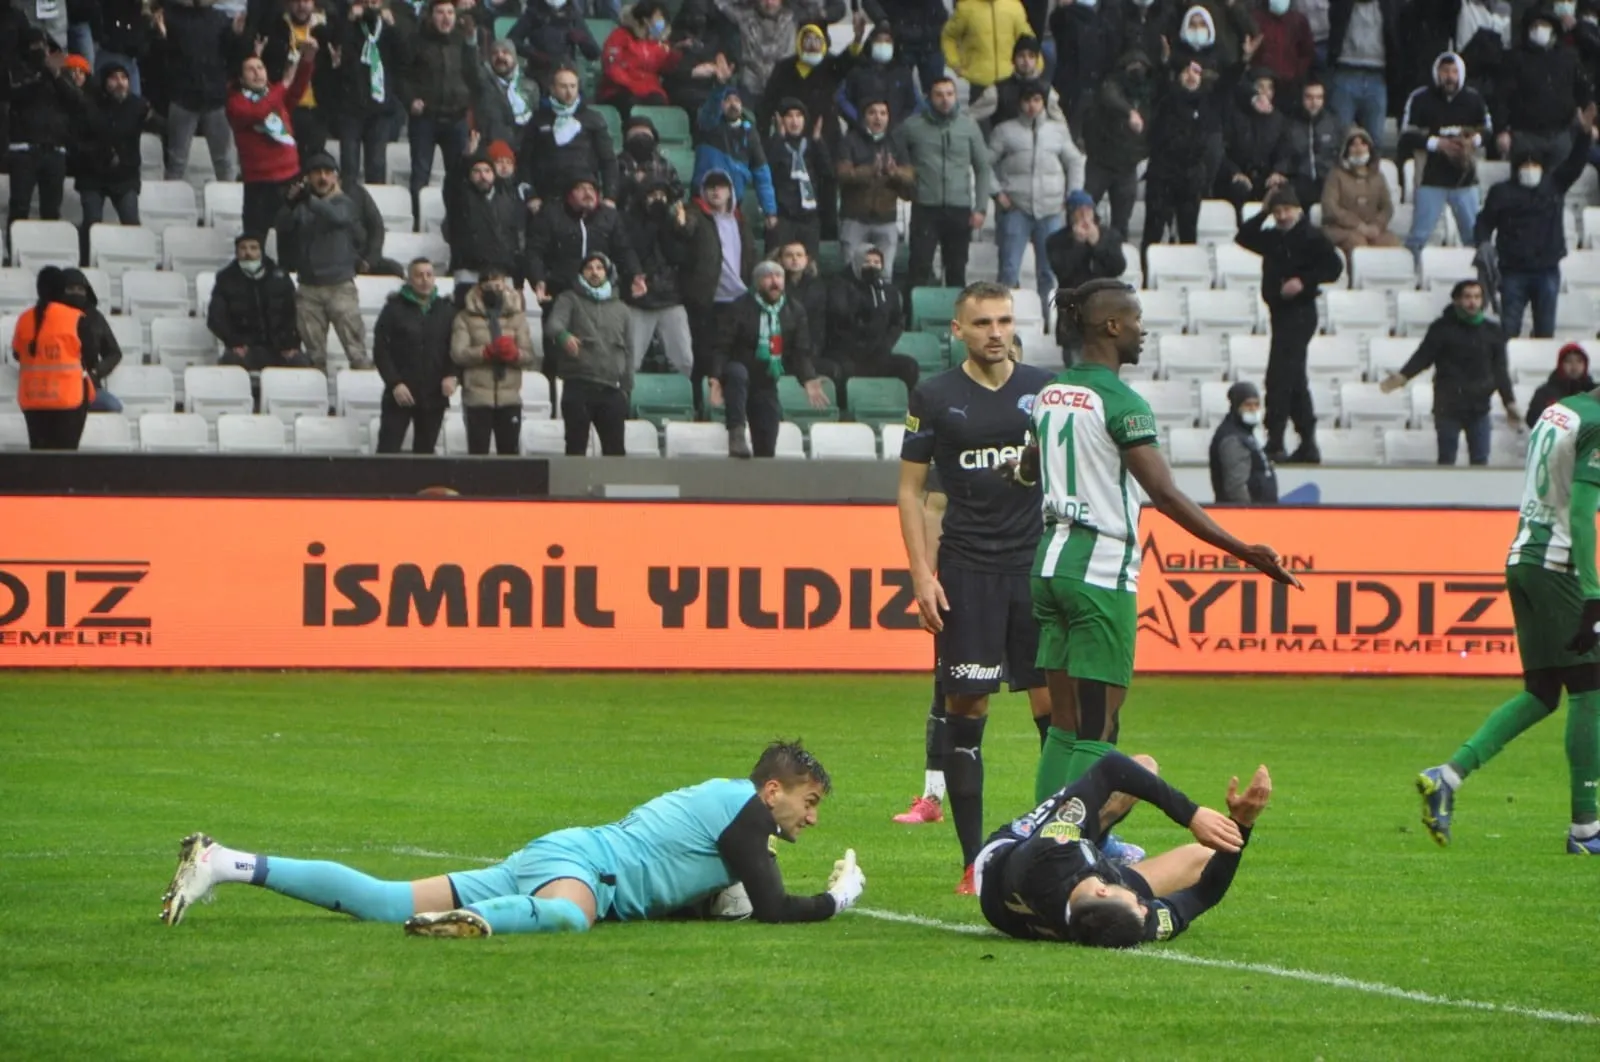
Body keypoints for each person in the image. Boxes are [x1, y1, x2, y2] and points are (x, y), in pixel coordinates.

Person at [1020, 279, 1297, 803]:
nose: (1143, 332)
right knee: (1097, 730)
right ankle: (1065, 847)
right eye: (1137, 320)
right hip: (1099, 571)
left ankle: (1032, 841)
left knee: (1063, 724)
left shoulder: (1048, 394)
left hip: (1050, 564)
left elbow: (1032, 464)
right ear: (1112, 326)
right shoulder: (1123, 401)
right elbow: (1165, 496)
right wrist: (1245, 551)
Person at [159, 741, 868, 934]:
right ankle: (468, 921)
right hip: (583, 867)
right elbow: (773, 910)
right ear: (772, 790)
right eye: (808, 803)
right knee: (570, 918)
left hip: (565, 850)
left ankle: (227, 862)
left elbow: (699, 893)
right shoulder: (743, 811)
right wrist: (838, 898)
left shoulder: (729, 814)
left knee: (380, 900)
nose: (812, 818)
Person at [897, 282, 1056, 893]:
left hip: (1035, 571)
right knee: (968, 711)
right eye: (983, 321)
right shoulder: (935, 397)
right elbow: (911, 491)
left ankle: (1066, 840)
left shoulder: (1044, 390)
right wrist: (921, 576)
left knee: (1056, 713)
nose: (996, 331)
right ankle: (974, 862)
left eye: (1006, 320)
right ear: (958, 331)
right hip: (967, 572)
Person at [1417, 382, 1600, 854]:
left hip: (1522, 557)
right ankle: (1586, 830)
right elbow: (1581, 513)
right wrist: (1593, 594)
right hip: (1557, 565)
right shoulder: (1597, 426)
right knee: (1591, 687)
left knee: (1541, 693)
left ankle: (1448, 777)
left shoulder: (1559, 411)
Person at [977, 752, 1271, 947]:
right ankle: (1105, 849)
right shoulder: (1128, 923)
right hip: (1076, 876)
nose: (1147, 906)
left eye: (1138, 904)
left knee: (1142, 767)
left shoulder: (1051, 851)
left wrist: (1191, 814)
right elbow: (1205, 893)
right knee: (1206, 859)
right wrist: (1242, 824)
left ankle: (1102, 843)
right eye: (1144, 909)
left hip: (1004, 856)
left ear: (1103, 890)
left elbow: (1111, 767)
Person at [1234, 186, 1343, 463]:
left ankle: (1277, 439)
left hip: (1300, 312)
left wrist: (1304, 282)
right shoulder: (1274, 237)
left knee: (1280, 377)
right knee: (1292, 379)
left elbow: (1334, 267)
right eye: (1277, 211)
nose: (1282, 216)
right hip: (1281, 314)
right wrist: (1263, 209)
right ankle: (1306, 442)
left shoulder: (1311, 236)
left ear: (1298, 210)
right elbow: (1243, 236)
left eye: (1286, 210)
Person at [1379, 279, 1517, 466]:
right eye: (1467, 297)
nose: (1472, 302)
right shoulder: (1441, 328)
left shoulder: (1492, 331)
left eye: (1477, 297)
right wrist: (1403, 376)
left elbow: (1500, 370)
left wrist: (1509, 402)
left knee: (1480, 461)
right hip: (1448, 407)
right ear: (1456, 300)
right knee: (1446, 461)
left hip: (1479, 408)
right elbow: (1423, 357)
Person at [1473, 129, 1591, 340]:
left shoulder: (1554, 186)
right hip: (1512, 271)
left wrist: (1584, 134)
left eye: (1534, 164)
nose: (1530, 169)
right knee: (1508, 331)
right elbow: (1484, 222)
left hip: (1546, 270)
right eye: (1525, 165)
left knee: (1545, 331)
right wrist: (1483, 244)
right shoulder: (1501, 192)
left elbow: (1575, 163)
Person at [709, 259, 829, 458]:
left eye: (779, 276)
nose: (774, 281)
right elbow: (722, 346)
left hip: (766, 378)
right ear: (757, 282)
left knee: (767, 438)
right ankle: (736, 434)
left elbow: (800, 351)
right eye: (768, 277)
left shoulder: (794, 310)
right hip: (738, 372)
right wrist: (716, 377)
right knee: (737, 373)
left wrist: (808, 378)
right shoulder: (740, 307)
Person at [989, 83, 1084, 311]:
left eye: (1036, 100)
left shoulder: (1058, 130)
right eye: (1027, 100)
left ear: (1043, 103)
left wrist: (1072, 195)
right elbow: (985, 164)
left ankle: (1045, 321)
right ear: (1019, 103)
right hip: (1016, 208)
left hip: (1051, 210)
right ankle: (1005, 318)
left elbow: (1075, 161)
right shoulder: (1004, 130)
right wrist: (997, 193)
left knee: (1048, 271)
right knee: (1009, 268)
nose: (1031, 106)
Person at [895, 78, 993, 289]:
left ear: (956, 96)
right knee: (919, 266)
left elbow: (983, 167)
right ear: (929, 98)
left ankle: (956, 319)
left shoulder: (968, 126)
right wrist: (906, 180)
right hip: (925, 207)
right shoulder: (913, 127)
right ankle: (912, 317)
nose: (945, 99)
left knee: (956, 268)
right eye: (939, 94)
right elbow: (894, 154)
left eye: (949, 94)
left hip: (959, 207)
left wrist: (981, 208)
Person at [276, 152, 369, 369]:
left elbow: (338, 217)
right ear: (308, 178)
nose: (323, 178)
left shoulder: (345, 202)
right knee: (313, 357)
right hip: (308, 287)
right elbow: (282, 226)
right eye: (317, 173)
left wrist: (310, 200)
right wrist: (289, 203)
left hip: (340, 286)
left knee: (357, 353)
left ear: (336, 177)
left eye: (328, 173)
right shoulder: (302, 205)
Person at [1399, 52, 1491, 260]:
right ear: (1437, 73)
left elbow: (1488, 132)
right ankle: (1413, 275)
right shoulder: (1420, 98)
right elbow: (1406, 135)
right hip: (1430, 179)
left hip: (1465, 181)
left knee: (1473, 236)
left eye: (1454, 71)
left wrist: (1471, 142)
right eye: (1445, 71)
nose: (1449, 76)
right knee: (1419, 236)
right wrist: (1437, 144)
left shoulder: (1474, 99)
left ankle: (1476, 281)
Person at [227, 42, 317, 239]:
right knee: (254, 239)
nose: (257, 73)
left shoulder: (274, 95)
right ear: (241, 79)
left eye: (260, 68)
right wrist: (283, 83)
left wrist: (307, 61)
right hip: (259, 185)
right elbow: (259, 111)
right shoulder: (236, 103)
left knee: (292, 241)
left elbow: (295, 92)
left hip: (289, 178)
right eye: (250, 70)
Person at [684, 169, 759, 406]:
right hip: (708, 300)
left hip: (738, 299)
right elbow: (685, 229)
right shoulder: (696, 215)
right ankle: (702, 407)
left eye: (721, 187)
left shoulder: (739, 221)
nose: (716, 191)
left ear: (730, 192)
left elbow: (750, 256)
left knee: (736, 360)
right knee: (704, 358)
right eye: (711, 187)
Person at [10, 266, 105, 451]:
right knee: (64, 460)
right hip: (68, 401)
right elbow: (91, 356)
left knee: (39, 458)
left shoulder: (24, 319)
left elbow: (16, 353)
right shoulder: (76, 318)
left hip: (32, 399)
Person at [548, 253, 634, 456]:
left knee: (616, 453)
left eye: (599, 268)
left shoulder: (621, 309)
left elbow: (630, 351)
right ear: (581, 273)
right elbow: (553, 324)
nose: (594, 272)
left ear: (607, 273)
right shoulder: (569, 299)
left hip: (611, 389)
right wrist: (563, 336)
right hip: (578, 385)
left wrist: (627, 388)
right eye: (589, 268)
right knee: (576, 450)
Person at [373, 257, 458, 455]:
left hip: (434, 393)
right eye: (419, 275)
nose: (425, 280)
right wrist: (395, 383)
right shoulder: (393, 309)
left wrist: (452, 375)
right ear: (409, 279)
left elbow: (455, 347)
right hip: (400, 393)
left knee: (425, 453)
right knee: (388, 449)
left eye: (429, 275)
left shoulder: (446, 310)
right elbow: (381, 350)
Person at [73, 63, 158, 261]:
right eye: (114, 78)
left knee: (131, 222)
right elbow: (77, 141)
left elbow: (161, 125)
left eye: (123, 77)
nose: (120, 83)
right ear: (104, 82)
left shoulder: (138, 105)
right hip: (92, 174)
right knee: (92, 223)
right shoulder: (90, 105)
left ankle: (137, 262)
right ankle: (86, 263)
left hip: (124, 176)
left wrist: (152, 117)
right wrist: (101, 154)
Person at [450, 267, 537, 455]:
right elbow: (458, 353)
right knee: (477, 454)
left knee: (509, 455)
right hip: (477, 399)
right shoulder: (464, 317)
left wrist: (515, 354)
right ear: (479, 289)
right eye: (488, 287)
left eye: (498, 286)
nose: (494, 291)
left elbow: (529, 355)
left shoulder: (518, 317)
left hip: (510, 398)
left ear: (505, 287)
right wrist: (485, 352)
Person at [1141, 60, 1220, 262]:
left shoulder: (1208, 104)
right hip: (1162, 175)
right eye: (1186, 71)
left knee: (1188, 233)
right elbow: (1158, 85)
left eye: (1196, 72)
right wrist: (1166, 64)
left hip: (1191, 177)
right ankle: (1147, 276)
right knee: (1153, 232)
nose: (1191, 76)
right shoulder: (1166, 99)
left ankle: (1187, 271)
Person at [1494, 9, 1590, 173]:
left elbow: (1583, 91)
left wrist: (1588, 120)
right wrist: (1501, 130)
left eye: (1544, 25)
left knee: (1558, 189)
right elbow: (1502, 97)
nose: (1539, 29)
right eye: (1535, 25)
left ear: (1553, 28)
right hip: (1525, 135)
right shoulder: (1515, 58)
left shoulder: (1568, 57)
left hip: (1561, 134)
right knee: (1524, 186)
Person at [7, 29, 81, 235]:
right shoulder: (17, 69)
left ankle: (49, 250)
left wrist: (56, 74)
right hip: (24, 150)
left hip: (55, 151)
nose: (42, 51)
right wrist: (41, 70)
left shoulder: (61, 74)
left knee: (51, 210)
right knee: (20, 207)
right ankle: (14, 253)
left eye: (45, 46)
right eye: (37, 46)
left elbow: (76, 100)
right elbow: (15, 92)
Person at [526, 175, 644, 304]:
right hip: (562, 290)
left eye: (591, 189)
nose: (588, 193)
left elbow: (624, 250)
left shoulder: (610, 217)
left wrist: (635, 274)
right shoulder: (551, 215)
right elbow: (535, 251)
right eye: (581, 189)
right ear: (569, 195)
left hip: (601, 291)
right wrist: (539, 280)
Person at [405, 0, 479, 205]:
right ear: (430, 15)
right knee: (420, 174)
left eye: (450, 12)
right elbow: (402, 76)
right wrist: (410, 99)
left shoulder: (462, 40)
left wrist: (472, 43)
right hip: (425, 118)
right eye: (440, 12)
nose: (446, 18)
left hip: (456, 118)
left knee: (458, 176)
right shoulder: (417, 40)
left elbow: (474, 76)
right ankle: (417, 220)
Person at [825, 245, 919, 406]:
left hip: (878, 353)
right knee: (842, 370)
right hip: (848, 353)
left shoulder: (888, 291)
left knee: (909, 367)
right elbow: (840, 317)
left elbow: (897, 322)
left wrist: (886, 344)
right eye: (866, 261)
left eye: (877, 262)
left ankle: (907, 414)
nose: (872, 265)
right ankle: (845, 413)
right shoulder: (840, 286)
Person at [158, 1, 239, 183]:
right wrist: (160, 35)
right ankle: (170, 205)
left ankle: (230, 207)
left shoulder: (221, 19)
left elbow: (232, 53)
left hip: (216, 98)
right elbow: (161, 55)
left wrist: (236, 34)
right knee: (176, 161)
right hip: (182, 97)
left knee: (225, 161)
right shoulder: (170, 16)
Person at [623, 179, 697, 377]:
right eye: (652, 195)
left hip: (672, 298)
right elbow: (632, 252)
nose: (658, 200)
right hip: (640, 300)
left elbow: (680, 256)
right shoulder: (630, 222)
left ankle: (686, 400)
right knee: (630, 362)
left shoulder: (674, 224)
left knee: (684, 360)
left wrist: (677, 227)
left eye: (662, 196)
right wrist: (652, 225)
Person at [520, 65, 621, 208]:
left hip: (584, 198)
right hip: (548, 198)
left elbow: (608, 161)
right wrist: (531, 197)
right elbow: (525, 162)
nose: (569, 92)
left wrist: (610, 197)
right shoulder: (538, 120)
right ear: (552, 89)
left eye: (573, 86)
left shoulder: (593, 119)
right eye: (563, 86)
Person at [329, 0, 404, 186]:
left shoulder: (389, 24)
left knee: (377, 165)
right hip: (350, 109)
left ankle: (374, 210)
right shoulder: (346, 22)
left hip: (380, 109)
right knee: (349, 166)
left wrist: (393, 26)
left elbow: (405, 56)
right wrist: (349, 21)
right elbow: (337, 52)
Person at [836, 99, 915, 277]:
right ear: (864, 117)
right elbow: (843, 174)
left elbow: (910, 176)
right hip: (854, 218)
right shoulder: (850, 141)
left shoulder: (896, 143)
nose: (878, 118)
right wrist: (870, 170)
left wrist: (895, 173)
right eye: (872, 113)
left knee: (885, 274)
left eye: (883, 113)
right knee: (852, 272)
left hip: (886, 219)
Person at [1081, 49, 1154, 241]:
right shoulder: (1111, 86)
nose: (1137, 72)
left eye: (1142, 68)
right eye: (1133, 67)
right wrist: (1129, 112)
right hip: (1100, 163)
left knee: (1121, 225)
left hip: (1127, 167)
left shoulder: (1148, 94)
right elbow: (1109, 96)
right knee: (1083, 211)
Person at [1046, 191, 1128, 359]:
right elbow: (1063, 272)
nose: (1084, 215)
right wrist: (1077, 244)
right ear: (1070, 213)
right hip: (1073, 316)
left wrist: (1097, 244)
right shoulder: (1056, 241)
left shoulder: (1110, 236)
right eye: (1079, 210)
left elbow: (1117, 267)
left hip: (1104, 315)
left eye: (1087, 210)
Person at [209, 233, 307, 371]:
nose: (248, 252)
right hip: (245, 348)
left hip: (280, 347)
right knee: (230, 363)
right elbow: (216, 318)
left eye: (253, 248)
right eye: (243, 248)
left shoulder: (280, 277)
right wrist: (234, 342)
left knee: (302, 363)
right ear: (237, 252)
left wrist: (291, 344)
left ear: (261, 251)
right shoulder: (225, 279)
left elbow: (295, 312)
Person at [693, 75, 778, 224]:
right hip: (703, 205)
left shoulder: (750, 133)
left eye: (737, 100)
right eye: (727, 100)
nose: (733, 104)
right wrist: (720, 86)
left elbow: (762, 174)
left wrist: (769, 211)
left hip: (733, 207)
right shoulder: (709, 126)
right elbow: (710, 110)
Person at [259, 0, 333, 165]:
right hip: (285, 108)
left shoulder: (325, 31)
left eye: (306, 1)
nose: (301, 6)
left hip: (316, 109)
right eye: (296, 1)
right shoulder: (276, 28)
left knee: (312, 164)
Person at [1325, 0, 1401, 144]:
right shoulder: (1341, 4)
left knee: (1375, 139)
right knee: (1341, 137)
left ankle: (1372, 167)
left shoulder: (1389, 5)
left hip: (1377, 76)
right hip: (1345, 71)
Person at [445, 153, 526, 289]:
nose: (483, 176)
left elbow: (513, 236)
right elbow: (452, 183)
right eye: (477, 171)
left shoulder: (507, 199)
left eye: (487, 171)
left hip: (502, 272)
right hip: (469, 272)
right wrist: (466, 157)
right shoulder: (460, 199)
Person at [764, 98, 830, 255]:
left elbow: (827, 172)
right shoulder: (774, 144)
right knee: (778, 261)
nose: (795, 121)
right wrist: (778, 138)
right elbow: (767, 171)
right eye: (789, 116)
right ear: (781, 119)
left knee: (809, 266)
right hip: (783, 216)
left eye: (799, 116)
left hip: (809, 217)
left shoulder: (812, 145)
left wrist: (818, 141)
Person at [1318, 125, 1397, 257]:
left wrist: (1377, 225)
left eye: (1363, 144)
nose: (1359, 149)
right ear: (1346, 150)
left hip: (1373, 229)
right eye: (1354, 145)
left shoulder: (1378, 176)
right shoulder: (1335, 175)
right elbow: (1330, 207)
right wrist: (1358, 225)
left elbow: (1387, 207)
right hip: (1341, 230)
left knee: (1392, 242)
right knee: (1357, 243)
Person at [59, 269, 124, 413]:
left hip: (88, 386)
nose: (76, 293)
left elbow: (114, 353)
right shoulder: (51, 316)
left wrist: (96, 372)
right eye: (70, 289)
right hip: (58, 388)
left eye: (80, 289)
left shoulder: (95, 318)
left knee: (114, 407)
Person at [941, 0, 1032, 101]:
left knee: (1009, 116)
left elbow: (1028, 39)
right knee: (977, 115)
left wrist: (1036, 64)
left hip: (1009, 79)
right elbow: (948, 37)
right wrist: (955, 63)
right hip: (979, 81)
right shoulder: (966, 8)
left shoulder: (1014, 6)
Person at [1273, 79, 1343, 209]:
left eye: (1318, 97)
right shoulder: (1290, 124)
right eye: (1309, 97)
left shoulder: (1334, 124)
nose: (1314, 102)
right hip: (1299, 182)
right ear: (1301, 98)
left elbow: (1341, 154)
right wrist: (1279, 171)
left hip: (1328, 182)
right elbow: (1284, 154)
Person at [837, 23, 919, 133]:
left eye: (887, 41)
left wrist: (898, 124)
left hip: (896, 135)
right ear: (871, 44)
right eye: (879, 41)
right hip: (860, 133)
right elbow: (842, 99)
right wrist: (860, 121)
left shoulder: (903, 73)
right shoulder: (857, 71)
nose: (883, 44)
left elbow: (914, 105)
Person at [600, 2, 679, 112]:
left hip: (649, 89)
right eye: (658, 18)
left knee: (660, 102)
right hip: (619, 89)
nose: (661, 22)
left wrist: (675, 54)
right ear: (645, 19)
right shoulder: (620, 36)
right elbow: (612, 67)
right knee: (631, 103)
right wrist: (632, 85)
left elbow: (663, 67)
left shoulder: (658, 42)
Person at [507, 0, 601, 91]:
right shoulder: (533, 14)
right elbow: (512, 40)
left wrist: (582, 40)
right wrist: (534, 53)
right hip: (539, 73)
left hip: (567, 73)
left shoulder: (573, 16)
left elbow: (594, 54)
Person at [1209, 380, 1278, 503]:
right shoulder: (1232, 439)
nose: (1253, 409)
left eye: (1257, 405)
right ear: (1236, 407)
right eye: (1248, 405)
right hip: (1248, 515)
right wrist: (1249, 512)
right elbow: (1236, 487)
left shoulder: (1245, 433)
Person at [475, 39, 540, 148]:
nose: (500, 56)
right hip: (495, 146)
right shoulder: (484, 86)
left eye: (505, 52)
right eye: (495, 53)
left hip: (526, 145)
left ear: (514, 57)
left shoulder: (531, 86)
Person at [617, 115, 685, 215]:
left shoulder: (663, 164)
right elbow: (611, 192)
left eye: (645, 134)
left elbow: (678, 190)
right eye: (635, 134)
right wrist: (632, 181)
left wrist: (660, 189)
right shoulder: (618, 163)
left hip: (659, 217)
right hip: (627, 217)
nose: (641, 136)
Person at [1253, 0, 1314, 102]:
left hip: (1289, 84)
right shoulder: (1256, 19)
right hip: (1262, 84)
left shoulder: (1298, 20)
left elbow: (1307, 51)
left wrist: (1296, 73)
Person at [1527, 343, 1595, 427]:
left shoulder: (1594, 392)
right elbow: (1532, 420)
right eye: (1568, 361)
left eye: (1579, 361)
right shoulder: (1544, 393)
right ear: (1560, 364)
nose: (1574, 366)